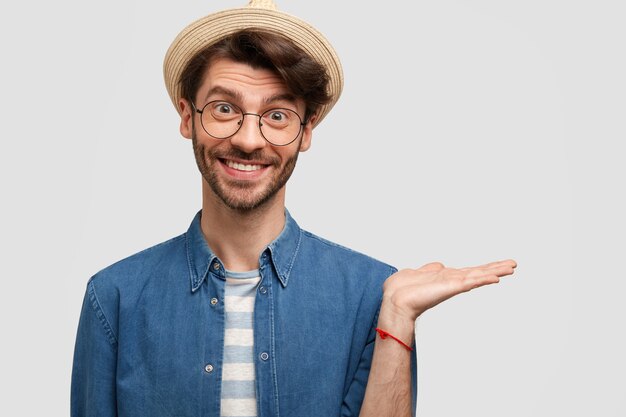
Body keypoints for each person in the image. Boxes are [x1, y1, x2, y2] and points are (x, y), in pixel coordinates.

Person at [70, 1, 517, 416]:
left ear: (306, 130)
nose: (248, 139)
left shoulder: (373, 296)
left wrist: (397, 316)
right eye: (224, 109)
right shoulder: (115, 298)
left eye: (278, 115)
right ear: (188, 117)